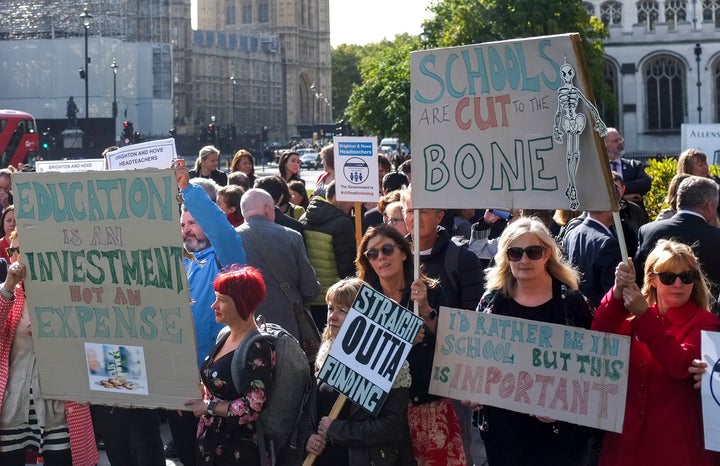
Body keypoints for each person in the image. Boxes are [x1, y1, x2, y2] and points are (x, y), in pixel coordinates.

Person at [476, 217, 595, 466]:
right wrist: (472, 389)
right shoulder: (492, 301)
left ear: (547, 254)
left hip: (557, 437)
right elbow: (475, 355)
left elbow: (594, 369)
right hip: (502, 432)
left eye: (533, 252)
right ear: (505, 257)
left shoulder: (572, 303)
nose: (524, 260)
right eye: (515, 253)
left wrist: (563, 406)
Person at [592, 240, 720, 466]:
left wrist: (644, 317)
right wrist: (618, 291)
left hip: (677, 446)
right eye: (669, 277)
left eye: (687, 277)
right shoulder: (637, 316)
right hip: (627, 444)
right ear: (652, 280)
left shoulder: (706, 323)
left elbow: (680, 364)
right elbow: (600, 334)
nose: (679, 284)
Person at [356, 224, 466, 465]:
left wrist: (426, 309)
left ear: (403, 253)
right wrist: (401, 341)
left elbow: (450, 344)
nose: (381, 257)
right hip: (386, 412)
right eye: (372, 254)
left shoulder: (431, 291)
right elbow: (361, 356)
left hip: (427, 404)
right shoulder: (365, 300)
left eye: (387, 249)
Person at [0, 232, 98, 466]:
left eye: (21, 251)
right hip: (14, 406)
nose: (16, 258)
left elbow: (90, 341)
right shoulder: (9, 292)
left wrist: (58, 328)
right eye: (11, 251)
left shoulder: (69, 292)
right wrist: (8, 285)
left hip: (59, 408)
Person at [174, 162, 248, 466]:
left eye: (193, 222)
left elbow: (220, 229)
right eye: (182, 225)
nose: (187, 229)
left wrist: (187, 191)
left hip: (220, 383)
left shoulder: (225, 258)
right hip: (182, 381)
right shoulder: (177, 262)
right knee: (185, 452)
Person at [305, 278, 415, 466]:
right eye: (331, 308)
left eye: (343, 311)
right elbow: (311, 410)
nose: (332, 316)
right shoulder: (325, 354)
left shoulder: (389, 363)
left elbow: (393, 427)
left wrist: (337, 430)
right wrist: (308, 437)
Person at [185, 266, 276, 466]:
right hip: (212, 447)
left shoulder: (258, 347)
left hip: (237, 453)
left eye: (222, 300)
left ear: (242, 304)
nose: (213, 305)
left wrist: (209, 407)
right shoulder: (224, 334)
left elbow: (252, 407)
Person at [237, 188, 320, 340]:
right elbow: (311, 290)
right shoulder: (292, 237)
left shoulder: (231, 240)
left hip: (246, 331)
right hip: (288, 330)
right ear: (268, 208)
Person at [635, 175, 720, 303]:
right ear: (710, 206)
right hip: (705, 314)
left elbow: (638, 276)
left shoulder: (647, 231)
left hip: (656, 313)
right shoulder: (716, 237)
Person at [300, 181, 356, 329]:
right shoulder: (342, 223)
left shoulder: (305, 217)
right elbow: (347, 267)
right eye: (351, 197)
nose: (353, 203)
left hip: (309, 293)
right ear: (338, 197)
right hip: (333, 297)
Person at [604, 128, 651, 211]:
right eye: (615, 141)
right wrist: (625, 197)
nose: (620, 143)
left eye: (620, 139)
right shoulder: (599, 168)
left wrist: (617, 190)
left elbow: (645, 184)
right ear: (604, 144)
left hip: (632, 217)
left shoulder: (634, 165)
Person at [676, 148, 720, 219]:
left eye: (705, 163)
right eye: (700, 164)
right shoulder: (679, 185)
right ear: (688, 167)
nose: (705, 167)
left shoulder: (715, 183)